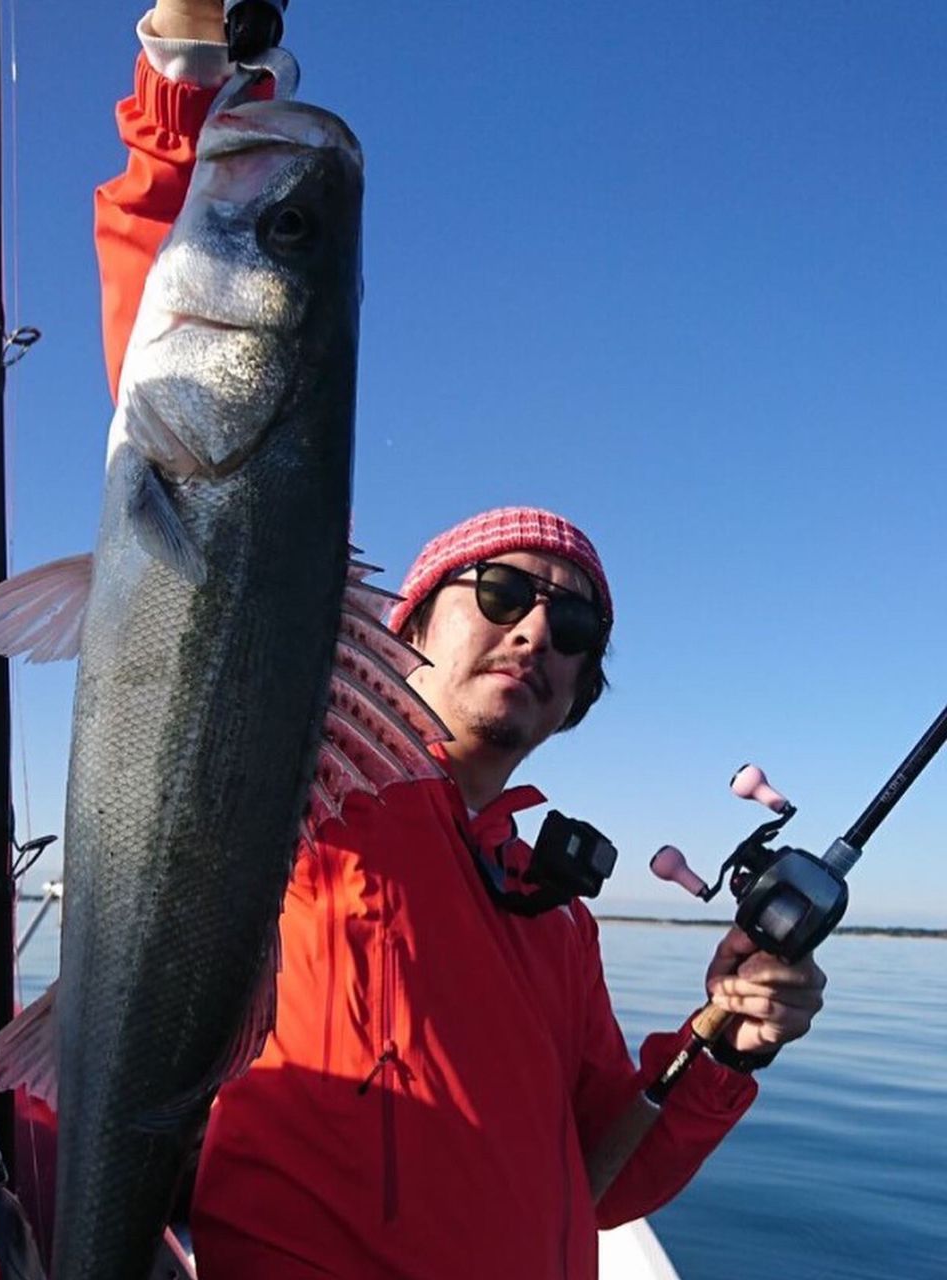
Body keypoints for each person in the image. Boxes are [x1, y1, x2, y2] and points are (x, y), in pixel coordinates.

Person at [93, 8, 827, 1278]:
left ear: (581, 692)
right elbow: (202, 381)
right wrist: (187, 80)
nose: (538, 625)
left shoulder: (556, 923)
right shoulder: (319, 805)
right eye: (498, 589)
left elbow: (604, 1179)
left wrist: (722, 1046)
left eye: (575, 622)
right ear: (404, 623)